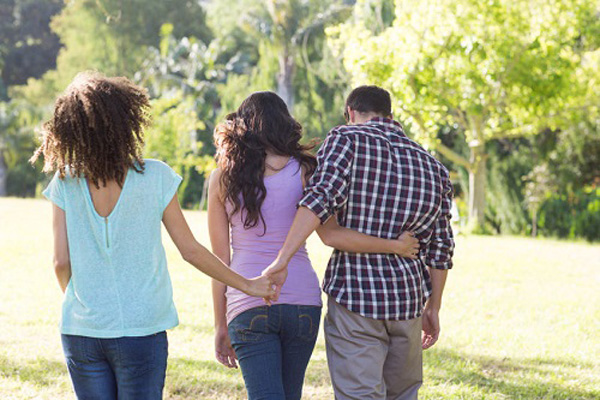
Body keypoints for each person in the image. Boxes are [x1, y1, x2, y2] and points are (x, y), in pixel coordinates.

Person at [31, 72, 274, 400]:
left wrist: (85, 304)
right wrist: (247, 285)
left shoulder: (64, 182)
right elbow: (190, 250)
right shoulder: (155, 176)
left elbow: (61, 263)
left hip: (82, 331)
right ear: (126, 122)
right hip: (142, 330)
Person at [208, 91, 420, 400]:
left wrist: (219, 324)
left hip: (246, 300)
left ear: (242, 126)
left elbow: (219, 259)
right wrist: (394, 245)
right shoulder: (308, 170)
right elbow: (331, 235)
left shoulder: (222, 178)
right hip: (303, 301)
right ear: (285, 123)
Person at [263, 85, 455, 400]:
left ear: (351, 113)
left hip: (356, 298)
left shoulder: (346, 139)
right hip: (408, 304)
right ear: (390, 115)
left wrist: (282, 259)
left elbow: (320, 199)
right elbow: (441, 248)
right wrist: (433, 307)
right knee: (403, 395)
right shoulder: (434, 166)